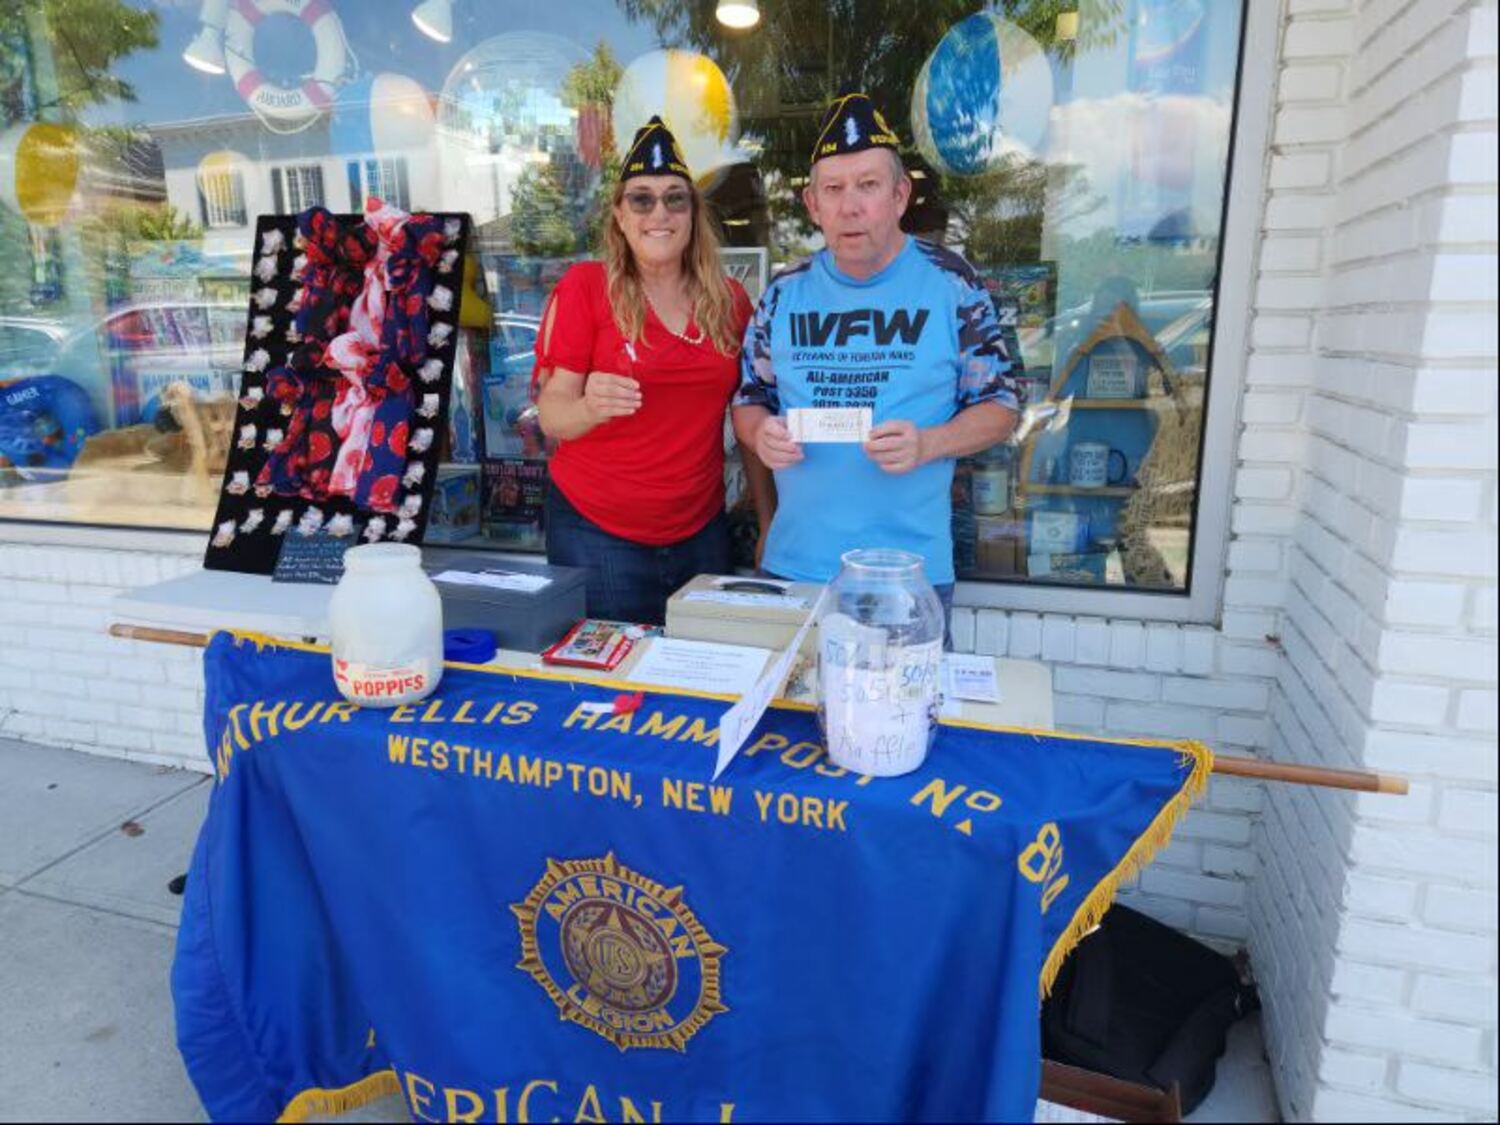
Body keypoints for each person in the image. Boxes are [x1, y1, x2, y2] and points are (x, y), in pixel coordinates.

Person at [731, 91, 1021, 633]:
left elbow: (1002, 405)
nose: (850, 206)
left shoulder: (952, 284)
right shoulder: (783, 293)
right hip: (794, 570)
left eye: (868, 185)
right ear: (812, 204)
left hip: (905, 579)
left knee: (899, 719)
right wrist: (761, 433)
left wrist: (929, 443)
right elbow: (749, 400)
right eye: (833, 189)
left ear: (900, 194)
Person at [534, 117, 767, 624]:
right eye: (641, 199)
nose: (658, 212)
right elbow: (552, 413)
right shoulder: (585, 287)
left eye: (674, 198)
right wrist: (590, 407)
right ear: (619, 214)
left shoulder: (730, 301)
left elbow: (749, 419)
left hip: (701, 529)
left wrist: (767, 518)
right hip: (597, 532)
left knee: (703, 679)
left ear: (692, 213)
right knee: (610, 689)